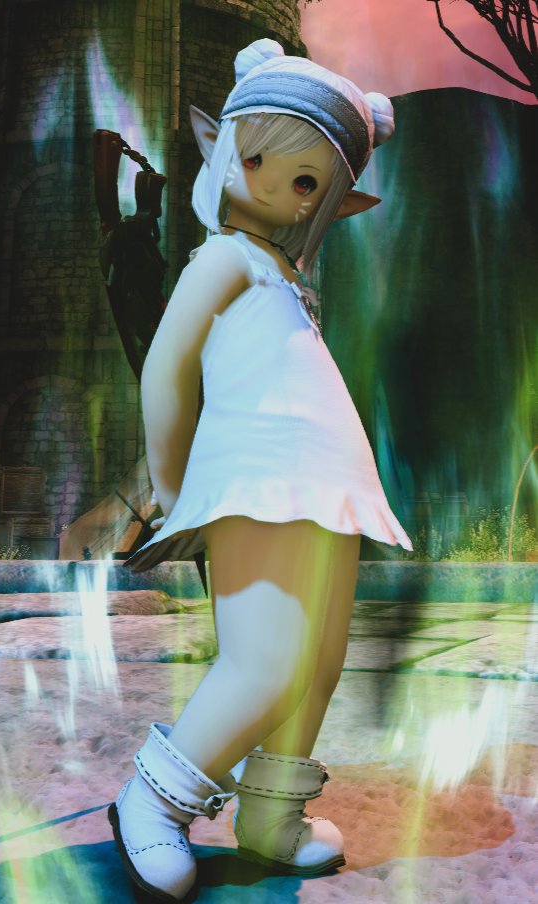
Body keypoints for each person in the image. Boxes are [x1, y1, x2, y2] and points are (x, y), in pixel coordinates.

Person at [108, 38, 414, 902]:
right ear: (222, 149)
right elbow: (166, 369)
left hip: (329, 489)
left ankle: (272, 819)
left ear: (329, 202)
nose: (279, 185)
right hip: (258, 479)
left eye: (307, 180)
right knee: (264, 663)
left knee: (316, 661)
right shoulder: (223, 258)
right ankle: (151, 802)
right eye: (255, 158)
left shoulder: (284, 277)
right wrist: (174, 488)